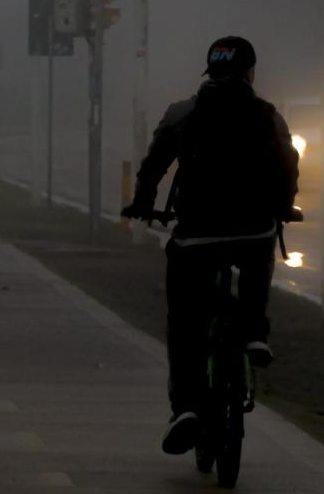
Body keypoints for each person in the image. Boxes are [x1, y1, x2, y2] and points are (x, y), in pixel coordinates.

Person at [122, 35, 300, 455]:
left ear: (210, 70)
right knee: (259, 258)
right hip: (254, 230)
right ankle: (254, 332)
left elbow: (154, 166)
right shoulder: (268, 116)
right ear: (250, 72)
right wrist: (284, 207)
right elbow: (288, 164)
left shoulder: (182, 113)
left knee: (185, 323)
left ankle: (185, 408)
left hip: (197, 234)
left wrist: (144, 205)